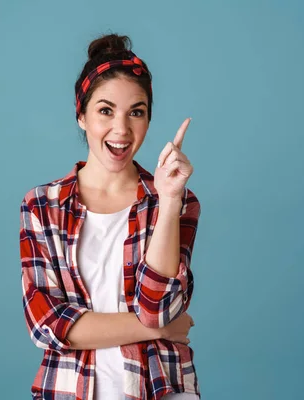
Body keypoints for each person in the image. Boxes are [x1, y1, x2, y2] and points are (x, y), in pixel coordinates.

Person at [19, 33, 201, 400]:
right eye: (105, 110)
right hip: (70, 389)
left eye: (136, 112)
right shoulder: (42, 205)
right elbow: (48, 324)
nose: (121, 129)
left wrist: (167, 200)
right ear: (81, 115)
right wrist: (160, 331)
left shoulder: (178, 201)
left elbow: (158, 308)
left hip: (161, 389)